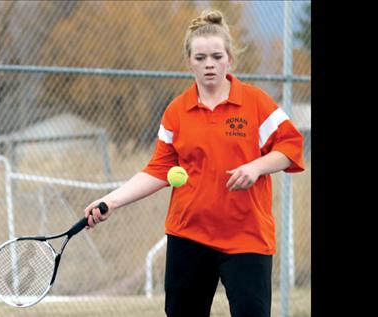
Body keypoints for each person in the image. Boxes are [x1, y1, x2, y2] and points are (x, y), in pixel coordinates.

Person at [84, 9, 305, 317]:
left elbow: (292, 144)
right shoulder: (177, 111)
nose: (209, 64)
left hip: (247, 238)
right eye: (200, 58)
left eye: (216, 56)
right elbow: (158, 169)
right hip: (189, 237)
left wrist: (257, 167)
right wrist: (110, 201)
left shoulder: (255, 102)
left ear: (229, 59)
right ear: (189, 61)